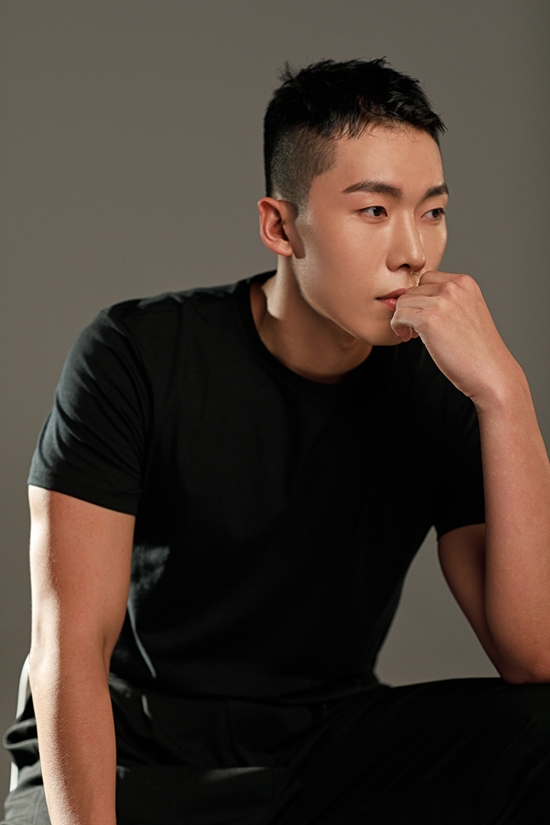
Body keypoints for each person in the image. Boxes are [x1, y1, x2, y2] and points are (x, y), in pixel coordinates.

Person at [3, 58, 550, 825]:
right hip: (135, 753)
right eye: (374, 210)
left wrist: (505, 393)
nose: (413, 251)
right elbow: (68, 648)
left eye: (432, 212)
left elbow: (533, 654)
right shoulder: (136, 354)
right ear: (280, 226)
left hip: (323, 750)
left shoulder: (443, 387)